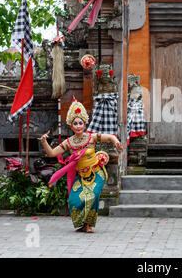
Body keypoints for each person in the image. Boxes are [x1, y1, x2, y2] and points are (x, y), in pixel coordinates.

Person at [38, 97, 122, 233]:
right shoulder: (69, 142)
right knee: (74, 200)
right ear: (71, 125)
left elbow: (110, 137)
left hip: (96, 173)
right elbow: (52, 153)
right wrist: (44, 142)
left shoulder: (91, 137)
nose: (78, 126)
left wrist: (116, 142)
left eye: (80, 123)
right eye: (75, 123)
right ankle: (82, 224)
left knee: (91, 196)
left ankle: (88, 225)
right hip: (81, 176)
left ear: (84, 124)